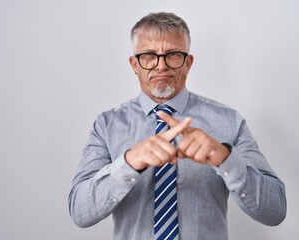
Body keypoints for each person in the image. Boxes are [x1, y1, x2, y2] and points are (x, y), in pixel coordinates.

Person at [68, 12, 287, 240]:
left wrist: (225, 158)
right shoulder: (106, 125)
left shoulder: (228, 121)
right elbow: (80, 212)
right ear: (134, 64)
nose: (161, 66)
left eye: (172, 55)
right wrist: (129, 162)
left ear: (188, 62)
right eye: (149, 56)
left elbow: (275, 212)